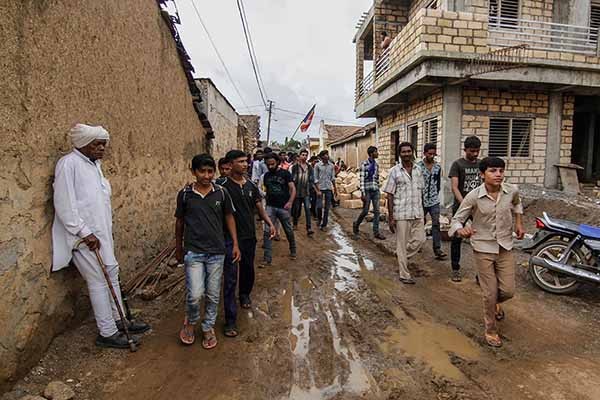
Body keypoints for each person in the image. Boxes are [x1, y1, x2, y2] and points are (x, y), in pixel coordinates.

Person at [52, 124, 150, 349]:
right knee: (97, 280)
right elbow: (64, 204)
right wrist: (84, 232)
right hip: (83, 237)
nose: (101, 149)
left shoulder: (94, 166)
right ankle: (107, 332)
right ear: (83, 143)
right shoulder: (69, 164)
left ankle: (120, 320)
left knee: (112, 274)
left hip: (102, 234)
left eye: (103, 145)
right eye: (97, 144)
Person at [449, 157, 525, 348]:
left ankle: (496, 304)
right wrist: (461, 229)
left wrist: (518, 223)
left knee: (508, 291)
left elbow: (517, 204)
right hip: (482, 247)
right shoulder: (474, 196)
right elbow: (457, 219)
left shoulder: (511, 191)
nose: (498, 174)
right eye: (493, 171)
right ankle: (490, 330)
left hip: (505, 246)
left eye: (501, 170)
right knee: (489, 293)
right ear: (482, 175)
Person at [175, 154, 240, 348]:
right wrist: (179, 246)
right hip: (193, 252)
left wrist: (235, 244)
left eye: (210, 171)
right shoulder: (185, 194)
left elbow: (229, 217)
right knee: (195, 293)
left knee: (212, 294)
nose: (206, 175)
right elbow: (179, 222)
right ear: (193, 171)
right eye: (202, 171)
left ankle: (208, 327)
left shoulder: (221, 193)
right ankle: (191, 320)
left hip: (217, 252)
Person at [217, 150, 275, 324]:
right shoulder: (221, 185)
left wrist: (269, 223)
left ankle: (244, 294)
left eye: (246, 161)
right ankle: (229, 306)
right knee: (230, 272)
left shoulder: (250, 185)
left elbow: (259, 206)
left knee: (248, 268)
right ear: (231, 163)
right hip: (228, 237)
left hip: (248, 235)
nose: (245, 164)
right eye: (241, 161)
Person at [384, 142, 426, 285]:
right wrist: (391, 218)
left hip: (417, 212)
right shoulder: (394, 171)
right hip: (401, 213)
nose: (406, 154)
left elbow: (421, 191)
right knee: (401, 244)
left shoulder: (418, 170)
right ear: (399, 154)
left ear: (412, 152)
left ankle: (401, 256)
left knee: (420, 240)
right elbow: (389, 195)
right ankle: (404, 274)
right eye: (403, 152)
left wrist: (423, 212)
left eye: (409, 151)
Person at [448, 136, 482, 282]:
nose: (475, 154)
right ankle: (455, 269)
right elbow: (454, 187)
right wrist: (465, 204)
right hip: (461, 207)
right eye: (472, 151)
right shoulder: (457, 164)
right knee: (457, 238)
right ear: (465, 150)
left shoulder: (482, 164)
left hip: (479, 209)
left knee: (481, 238)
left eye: (477, 151)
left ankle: (481, 273)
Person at [262, 152, 297, 266]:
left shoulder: (286, 174)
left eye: (272, 164)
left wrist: (290, 202)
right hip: (270, 207)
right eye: (268, 165)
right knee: (267, 231)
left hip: (283, 207)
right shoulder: (266, 175)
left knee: (288, 230)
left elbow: (292, 189)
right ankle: (267, 258)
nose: (270, 166)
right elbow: (266, 190)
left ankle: (293, 249)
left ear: (277, 162)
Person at [417, 143, 447, 260]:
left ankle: (437, 249)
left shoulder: (437, 167)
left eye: (434, 154)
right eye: (430, 154)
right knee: (419, 223)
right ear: (424, 153)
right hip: (421, 200)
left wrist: (435, 194)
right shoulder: (418, 166)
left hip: (434, 200)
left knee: (436, 223)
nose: (432, 156)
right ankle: (417, 244)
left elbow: (438, 184)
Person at [353, 146, 385, 240]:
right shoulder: (364, 164)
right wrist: (362, 193)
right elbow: (362, 179)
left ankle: (376, 232)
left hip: (375, 190)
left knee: (377, 211)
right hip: (366, 190)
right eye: (376, 152)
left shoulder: (376, 165)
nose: (377, 153)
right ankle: (356, 224)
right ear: (371, 153)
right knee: (365, 211)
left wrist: (378, 188)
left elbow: (377, 178)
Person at [291, 149, 316, 236]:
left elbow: (312, 180)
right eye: (303, 155)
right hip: (297, 192)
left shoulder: (310, 168)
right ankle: (295, 224)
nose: (304, 157)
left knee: (307, 210)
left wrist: (316, 190)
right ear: (299, 156)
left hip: (306, 192)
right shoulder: (294, 167)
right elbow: (292, 180)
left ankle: (309, 228)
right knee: (296, 209)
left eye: (306, 155)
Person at [314, 150, 337, 231]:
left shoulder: (331, 166)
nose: (327, 156)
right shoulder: (317, 165)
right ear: (322, 157)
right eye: (325, 154)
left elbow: (333, 178)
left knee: (327, 208)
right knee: (319, 206)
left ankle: (324, 225)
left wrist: (335, 189)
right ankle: (319, 219)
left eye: (327, 154)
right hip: (320, 188)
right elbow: (315, 178)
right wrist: (317, 190)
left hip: (328, 189)